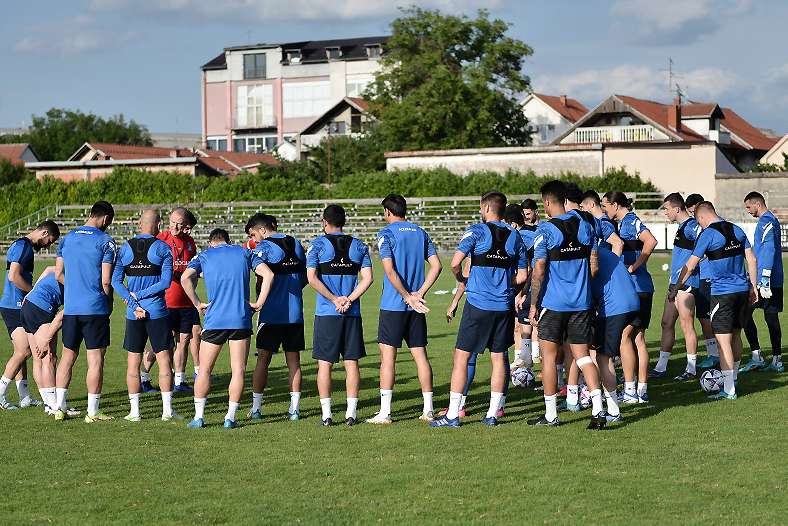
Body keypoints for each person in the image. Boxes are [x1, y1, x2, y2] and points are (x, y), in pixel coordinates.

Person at [431, 191, 527, 428]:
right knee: (499, 358)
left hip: (478, 305)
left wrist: (462, 278)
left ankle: (453, 414)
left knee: (462, 357)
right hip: (503, 306)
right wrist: (506, 285)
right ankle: (492, 414)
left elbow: (455, 263)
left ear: (486, 208)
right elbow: (523, 275)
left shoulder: (476, 230)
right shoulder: (515, 235)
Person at [527, 181, 606, 429]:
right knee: (583, 357)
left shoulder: (545, 230)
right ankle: (598, 408)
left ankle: (551, 415)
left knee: (549, 359)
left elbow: (539, 270)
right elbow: (594, 266)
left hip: (553, 304)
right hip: (581, 303)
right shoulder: (587, 225)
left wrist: (533, 304)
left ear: (547, 202)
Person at [181, 228, 274, 429]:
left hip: (215, 320)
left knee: (204, 370)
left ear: (211, 242)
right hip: (240, 319)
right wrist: (259, 303)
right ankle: (230, 417)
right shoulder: (244, 252)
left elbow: (185, 278)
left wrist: (197, 303)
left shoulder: (204, 255)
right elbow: (268, 274)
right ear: (228, 241)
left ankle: (199, 417)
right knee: (238, 371)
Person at [367, 195, 442, 424]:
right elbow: (437, 266)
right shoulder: (420, 232)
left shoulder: (386, 234)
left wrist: (407, 296)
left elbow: (389, 271)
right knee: (420, 356)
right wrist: (419, 294)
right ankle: (428, 409)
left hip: (393, 305)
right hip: (415, 307)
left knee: (388, 358)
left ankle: (385, 412)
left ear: (388, 212)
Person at [672, 201, 757, 400]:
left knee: (722, 341)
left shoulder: (708, 234)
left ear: (702, 216)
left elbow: (690, 265)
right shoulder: (737, 229)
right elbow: (752, 259)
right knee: (736, 335)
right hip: (742, 291)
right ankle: (733, 378)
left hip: (722, 293)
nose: (699, 225)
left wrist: (676, 286)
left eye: (698, 221)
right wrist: (753, 287)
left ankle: (729, 389)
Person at [307, 205, 374, 426]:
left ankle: (326, 415)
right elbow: (368, 278)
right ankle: (351, 414)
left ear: (324, 222)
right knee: (351, 363)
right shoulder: (359, 246)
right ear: (344, 221)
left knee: (325, 365)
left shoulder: (317, 245)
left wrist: (335, 299)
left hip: (327, 313)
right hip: (351, 313)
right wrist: (349, 299)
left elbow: (311, 278)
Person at [112, 210, 180, 422]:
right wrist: (139, 296)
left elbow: (115, 282)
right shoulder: (163, 248)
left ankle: (135, 412)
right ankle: (167, 412)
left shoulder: (125, 248)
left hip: (134, 314)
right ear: (159, 224)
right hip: (157, 311)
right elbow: (165, 282)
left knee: (133, 363)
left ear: (140, 223)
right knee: (164, 360)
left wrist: (133, 302)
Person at [54, 201, 116, 423]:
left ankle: (59, 408)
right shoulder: (106, 241)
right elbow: (106, 281)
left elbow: (58, 274)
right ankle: (92, 411)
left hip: (71, 308)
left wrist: (74, 287)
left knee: (67, 357)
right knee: (95, 359)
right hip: (94, 309)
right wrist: (108, 302)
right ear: (106, 219)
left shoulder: (67, 238)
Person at [580, 191, 638, 423]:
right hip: (632, 301)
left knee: (604, 357)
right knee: (628, 344)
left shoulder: (590, 255)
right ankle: (630, 389)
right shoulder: (603, 251)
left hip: (615, 307)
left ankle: (613, 409)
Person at [244, 213, 308, 421]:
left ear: (262, 230)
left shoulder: (263, 248)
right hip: (295, 314)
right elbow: (305, 276)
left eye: (253, 235)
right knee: (294, 361)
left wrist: (260, 296)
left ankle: (256, 408)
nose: (254, 240)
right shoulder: (296, 243)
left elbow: (260, 279)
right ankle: (294, 409)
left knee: (263, 359)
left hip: (270, 313)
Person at [603, 191, 657, 403]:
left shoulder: (629, 222)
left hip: (636, 289)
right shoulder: (623, 224)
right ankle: (641, 390)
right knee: (637, 339)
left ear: (615, 205)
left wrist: (633, 267)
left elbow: (651, 241)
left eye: (605, 205)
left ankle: (630, 390)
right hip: (642, 288)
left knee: (625, 337)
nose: (604, 209)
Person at [0, 221, 60, 409]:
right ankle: (0, 393)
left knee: (22, 350)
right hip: (15, 305)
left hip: (14, 304)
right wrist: (33, 291)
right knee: (24, 351)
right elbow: (13, 276)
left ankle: (24, 396)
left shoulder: (22, 246)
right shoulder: (23, 246)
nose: (48, 246)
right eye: (50, 241)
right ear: (44, 233)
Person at [651, 193, 704, 380]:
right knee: (666, 323)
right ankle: (661, 367)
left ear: (677, 208)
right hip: (674, 284)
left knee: (686, 326)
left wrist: (693, 267)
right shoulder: (682, 227)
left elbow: (705, 244)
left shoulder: (691, 226)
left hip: (686, 284)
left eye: (666, 209)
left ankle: (691, 369)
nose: (665, 212)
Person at [19, 267, 73, 416]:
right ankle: (55, 406)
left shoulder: (65, 267)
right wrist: (47, 338)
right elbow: (60, 318)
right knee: (49, 357)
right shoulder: (77, 279)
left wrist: (33, 290)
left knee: (38, 359)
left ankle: (49, 405)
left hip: (27, 305)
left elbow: (49, 269)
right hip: (41, 309)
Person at [740, 191, 783, 373]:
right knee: (770, 317)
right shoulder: (771, 220)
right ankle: (776, 360)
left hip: (765, 281)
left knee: (744, 314)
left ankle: (758, 357)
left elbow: (769, 250)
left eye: (748, 207)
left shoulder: (766, 222)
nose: (748, 210)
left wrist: (764, 278)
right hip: (774, 279)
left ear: (757, 204)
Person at [686, 194, 720, 368]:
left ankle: (714, 355)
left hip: (708, 277)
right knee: (711, 317)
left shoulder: (708, 229)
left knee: (706, 317)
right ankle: (719, 354)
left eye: (694, 213)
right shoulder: (724, 224)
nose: (694, 218)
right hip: (713, 277)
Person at [512, 198, 541, 369]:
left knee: (525, 324)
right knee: (523, 325)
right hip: (532, 286)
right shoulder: (537, 231)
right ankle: (525, 358)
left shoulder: (522, 236)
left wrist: (521, 292)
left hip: (528, 287)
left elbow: (530, 267)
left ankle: (527, 359)